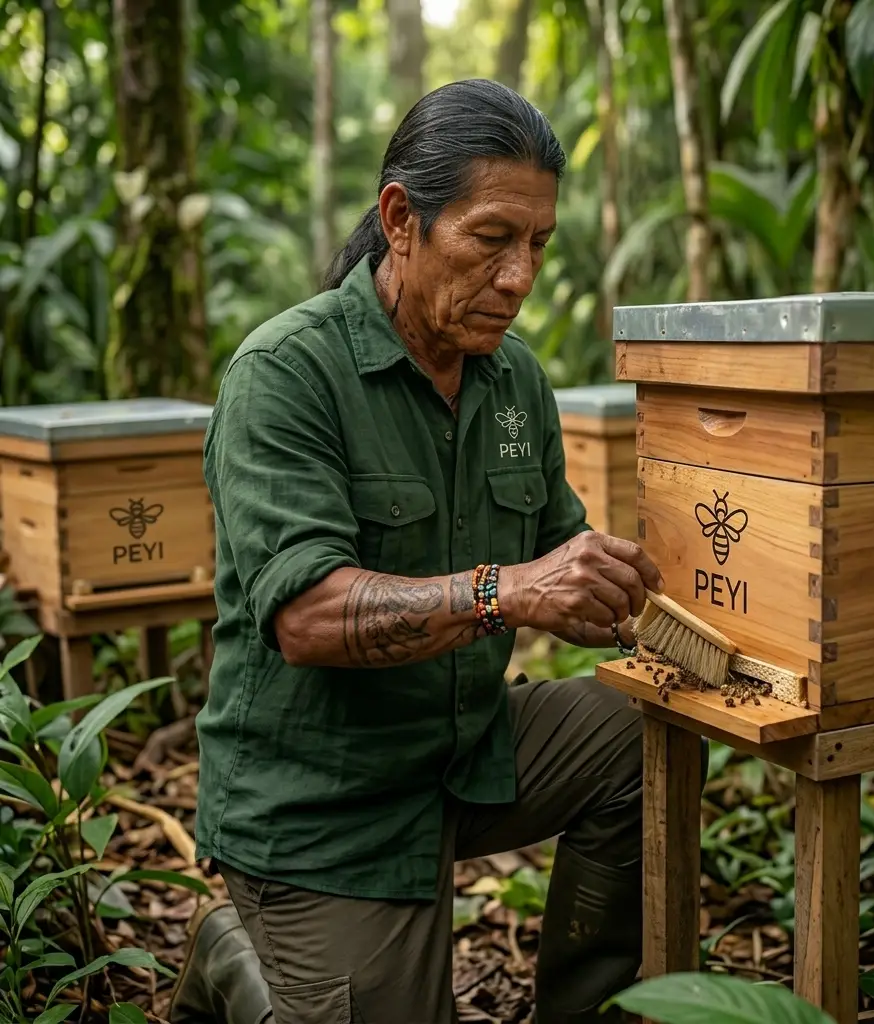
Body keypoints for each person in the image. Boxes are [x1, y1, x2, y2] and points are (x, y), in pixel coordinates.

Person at [167, 78, 705, 1024]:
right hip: (321, 804)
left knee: (641, 736)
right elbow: (307, 618)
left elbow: (559, 552)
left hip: (465, 750)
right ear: (400, 220)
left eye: (539, 244)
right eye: (492, 238)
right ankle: (238, 958)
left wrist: (641, 596)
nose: (520, 278)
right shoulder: (285, 375)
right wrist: (508, 592)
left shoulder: (514, 381)